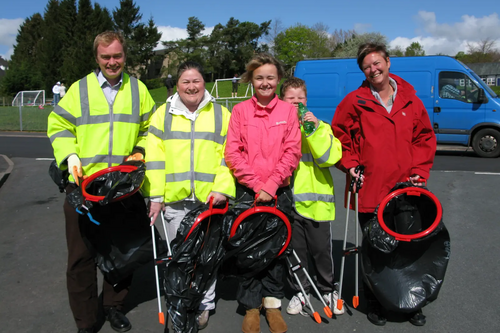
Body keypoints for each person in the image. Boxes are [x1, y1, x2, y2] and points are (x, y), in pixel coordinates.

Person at [47, 31, 156, 333]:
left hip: (122, 187)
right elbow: (58, 126)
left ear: (125, 56)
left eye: (117, 56)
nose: (112, 62)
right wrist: (69, 155)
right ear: (96, 58)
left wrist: (141, 150)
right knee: (80, 260)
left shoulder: (139, 90)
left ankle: (114, 307)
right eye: (106, 57)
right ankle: (85, 322)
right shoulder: (79, 89)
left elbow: (150, 128)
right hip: (83, 189)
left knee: (123, 253)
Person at [331, 43, 437, 327]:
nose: (373, 69)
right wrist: (350, 164)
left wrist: (419, 171)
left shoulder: (411, 100)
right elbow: (339, 136)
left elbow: (424, 138)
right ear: (363, 72)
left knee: (408, 248)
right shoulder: (355, 101)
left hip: (407, 190)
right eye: (367, 66)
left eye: (377, 63)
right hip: (371, 188)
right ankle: (375, 301)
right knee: (376, 250)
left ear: (388, 62)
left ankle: (410, 302)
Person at [144, 61, 235, 330]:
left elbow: (230, 156)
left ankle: (205, 304)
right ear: (178, 85)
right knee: (179, 257)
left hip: (210, 200)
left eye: (196, 81)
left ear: (204, 83)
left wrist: (222, 187)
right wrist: (156, 196)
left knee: (207, 257)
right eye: (186, 81)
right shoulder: (162, 115)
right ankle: (181, 302)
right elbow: (155, 158)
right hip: (175, 199)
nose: (191, 86)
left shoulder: (221, 114)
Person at [225, 53, 301, 333]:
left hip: (279, 192)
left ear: (278, 80)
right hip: (248, 193)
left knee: (277, 252)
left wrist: (271, 186)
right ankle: (251, 307)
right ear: (251, 80)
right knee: (248, 253)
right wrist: (258, 185)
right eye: (260, 77)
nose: (265, 82)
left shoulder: (289, 112)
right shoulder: (240, 111)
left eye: (270, 77)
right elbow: (232, 153)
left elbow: (292, 151)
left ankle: (272, 306)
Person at [279, 77, 344, 316]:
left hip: (317, 204)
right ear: (281, 101)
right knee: (295, 253)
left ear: (307, 100)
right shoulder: (280, 128)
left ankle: (328, 289)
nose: (297, 104)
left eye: (301, 99)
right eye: (291, 99)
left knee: (321, 252)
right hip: (290, 204)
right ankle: (300, 291)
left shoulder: (321, 127)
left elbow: (330, 158)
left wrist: (314, 130)